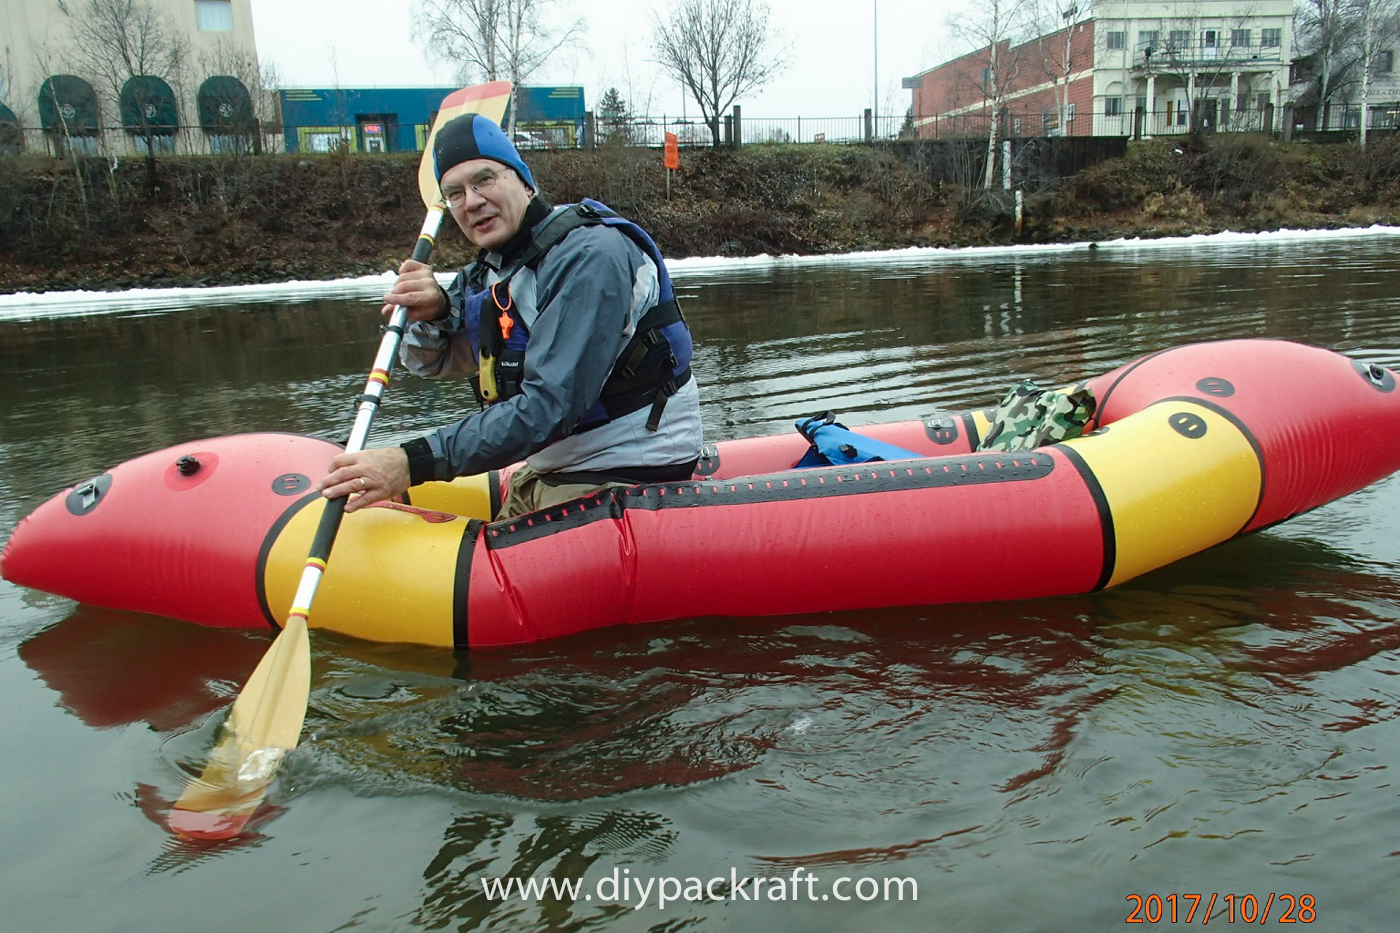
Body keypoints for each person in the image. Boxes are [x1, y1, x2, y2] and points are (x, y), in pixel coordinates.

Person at [317, 113, 703, 518]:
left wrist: (410, 462)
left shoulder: (591, 256)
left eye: (483, 179)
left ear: (523, 180)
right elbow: (425, 361)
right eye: (455, 193)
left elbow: (550, 407)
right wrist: (437, 312)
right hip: (563, 464)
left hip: (630, 465)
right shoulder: (493, 269)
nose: (471, 202)